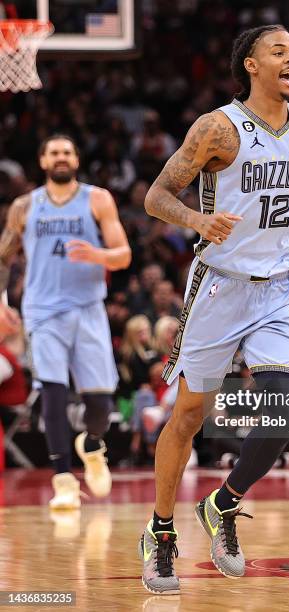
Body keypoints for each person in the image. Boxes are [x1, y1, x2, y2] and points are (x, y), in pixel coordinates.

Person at [139, 25, 289, 595]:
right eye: (279, 51)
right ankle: (161, 531)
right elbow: (156, 197)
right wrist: (198, 221)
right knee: (190, 415)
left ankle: (223, 503)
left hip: (276, 291)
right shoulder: (219, 127)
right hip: (219, 286)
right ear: (250, 64)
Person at [0, 134, 131, 509]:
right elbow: (4, 257)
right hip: (42, 311)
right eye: (54, 153)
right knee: (52, 392)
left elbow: (123, 255)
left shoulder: (97, 199)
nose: (61, 158)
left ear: (76, 159)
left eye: (67, 152)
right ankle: (63, 480)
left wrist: (99, 255)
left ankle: (91, 444)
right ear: (43, 161)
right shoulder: (25, 206)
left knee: (101, 404)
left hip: (88, 309)